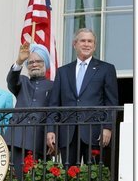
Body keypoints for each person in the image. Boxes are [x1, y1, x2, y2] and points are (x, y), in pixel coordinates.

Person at [46, 28, 119, 167]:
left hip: (95, 131)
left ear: (94, 45)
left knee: (95, 178)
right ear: (75, 44)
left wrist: (108, 127)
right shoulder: (63, 71)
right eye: (83, 41)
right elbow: (54, 104)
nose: (86, 44)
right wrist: (50, 129)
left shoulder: (106, 69)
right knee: (69, 178)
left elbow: (111, 102)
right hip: (68, 133)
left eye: (90, 41)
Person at [4, 42, 54, 180]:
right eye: (30, 62)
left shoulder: (54, 86)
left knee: (37, 180)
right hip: (17, 137)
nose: (34, 64)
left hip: (40, 138)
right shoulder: (22, 81)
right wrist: (19, 61)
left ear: (45, 63)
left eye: (38, 61)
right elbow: (11, 81)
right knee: (16, 177)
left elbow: (55, 114)